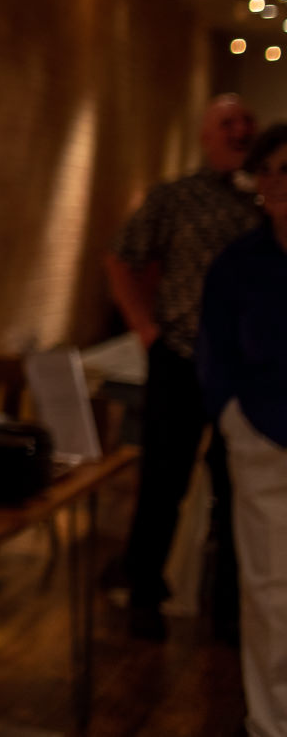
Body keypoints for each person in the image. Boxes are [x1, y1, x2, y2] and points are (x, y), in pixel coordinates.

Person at [108, 94, 261, 639]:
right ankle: (144, 589)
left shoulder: (268, 202)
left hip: (246, 370)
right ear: (207, 135)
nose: (239, 129)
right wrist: (144, 328)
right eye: (228, 122)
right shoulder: (176, 197)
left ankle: (227, 603)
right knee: (163, 481)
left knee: (237, 486)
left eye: (246, 122)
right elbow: (122, 257)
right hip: (180, 357)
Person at [200, 124, 287, 737]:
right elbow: (215, 349)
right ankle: (271, 721)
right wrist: (233, 418)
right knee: (270, 596)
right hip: (262, 438)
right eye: (268, 171)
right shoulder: (240, 263)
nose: (277, 183)